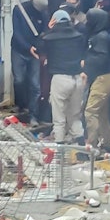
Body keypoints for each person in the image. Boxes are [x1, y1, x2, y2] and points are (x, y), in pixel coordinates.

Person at [35, 9, 86, 143]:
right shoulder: (78, 35)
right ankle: (82, 151)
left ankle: (59, 152)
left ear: (54, 21)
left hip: (60, 79)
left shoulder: (50, 37)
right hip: (77, 79)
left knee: (59, 119)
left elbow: (39, 47)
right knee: (74, 117)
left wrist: (48, 29)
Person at [80, 8, 110, 154]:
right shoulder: (98, 35)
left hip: (103, 77)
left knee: (90, 111)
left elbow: (101, 58)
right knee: (101, 113)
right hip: (104, 77)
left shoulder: (101, 37)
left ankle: (92, 145)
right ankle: (107, 144)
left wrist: (86, 63)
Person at [11, 0, 48, 124]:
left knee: (35, 86)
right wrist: (28, 48)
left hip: (35, 53)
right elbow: (16, 33)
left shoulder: (43, 13)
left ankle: (33, 116)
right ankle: (21, 105)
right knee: (19, 80)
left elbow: (44, 33)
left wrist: (40, 49)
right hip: (19, 50)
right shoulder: (19, 10)